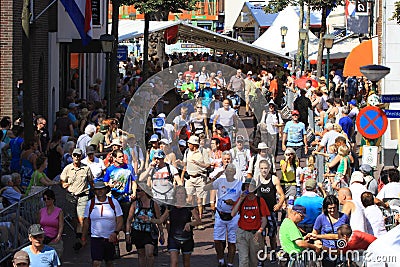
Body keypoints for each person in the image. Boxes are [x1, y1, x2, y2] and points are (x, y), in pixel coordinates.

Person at [149, 186, 201, 267]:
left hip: (186, 237)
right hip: (173, 237)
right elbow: (160, 220)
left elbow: (198, 220)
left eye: (182, 193)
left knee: (186, 263)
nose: (180, 195)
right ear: (175, 195)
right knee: (174, 263)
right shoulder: (170, 207)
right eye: (178, 193)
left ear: (185, 195)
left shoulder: (189, 207)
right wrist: (149, 219)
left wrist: (190, 224)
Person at [203, 163, 242, 267]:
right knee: (217, 240)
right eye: (227, 171)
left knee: (232, 242)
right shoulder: (220, 181)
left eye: (231, 171)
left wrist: (233, 203)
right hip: (220, 215)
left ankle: (230, 263)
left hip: (233, 216)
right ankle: (221, 260)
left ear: (234, 172)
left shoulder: (239, 184)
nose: (229, 173)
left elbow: (243, 200)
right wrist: (217, 175)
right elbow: (206, 187)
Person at [81, 181, 123, 267]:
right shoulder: (90, 203)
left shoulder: (113, 202)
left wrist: (116, 233)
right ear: (94, 191)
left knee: (109, 262)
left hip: (110, 238)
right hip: (96, 237)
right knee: (96, 263)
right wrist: (83, 236)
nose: (100, 191)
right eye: (97, 189)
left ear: (105, 190)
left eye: (102, 189)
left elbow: (120, 219)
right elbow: (86, 221)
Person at [60, 148, 94, 251]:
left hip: (83, 195)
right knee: (73, 218)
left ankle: (82, 238)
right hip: (71, 196)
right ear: (72, 156)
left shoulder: (86, 168)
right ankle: (78, 233)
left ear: (81, 156)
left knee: (82, 218)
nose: (76, 157)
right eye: (75, 155)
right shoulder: (67, 168)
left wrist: (95, 192)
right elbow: (62, 181)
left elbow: (91, 181)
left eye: (78, 155)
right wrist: (63, 184)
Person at [231, 178, 269, 267]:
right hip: (242, 232)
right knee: (243, 260)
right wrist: (240, 200)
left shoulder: (260, 201)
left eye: (251, 186)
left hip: (254, 233)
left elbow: (264, 219)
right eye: (246, 186)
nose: (248, 188)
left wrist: (260, 231)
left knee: (253, 261)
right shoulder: (242, 200)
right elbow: (232, 214)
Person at [125, 183, 163, 267]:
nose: (137, 192)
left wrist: (162, 233)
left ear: (145, 192)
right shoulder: (135, 204)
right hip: (138, 231)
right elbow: (129, 220)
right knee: (141, 254)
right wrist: (127, 233)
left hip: (150, 231)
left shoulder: (153, 204)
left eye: (139, 190)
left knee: (149, 253)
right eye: (136, 190)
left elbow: (159, 219)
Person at [256, 159, 285, 263]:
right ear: (259, 169)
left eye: (266, 168)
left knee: (272, 235)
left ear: (269, 169)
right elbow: (250, 194)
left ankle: (273, 253)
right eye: (262, 168)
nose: (264, 170)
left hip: (271, 211)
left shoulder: (274, 179)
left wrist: (279, 204)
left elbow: (282, 195)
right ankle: (262, 256)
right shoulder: (257, 179)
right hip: (261, 213)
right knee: (261, 235)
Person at [312, 195, 350, 267]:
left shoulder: (344, 217)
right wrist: (317, 241)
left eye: (334, 208)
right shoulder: (321, 218)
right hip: (327, 252)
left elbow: (348, 233)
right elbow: (315, 232)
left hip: (341, 251)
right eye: (330, 208)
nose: (332, 210)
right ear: (326, 208)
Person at [181, 136, 210, 223]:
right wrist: (180, 164)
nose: (188, 145)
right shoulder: (187, 151)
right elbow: (184, 164)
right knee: (189, 199)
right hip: (190, 178)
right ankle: (189, 218)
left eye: (189, 143)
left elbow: (208, 165)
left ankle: (199, 220)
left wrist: (199, 164)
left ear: (194, 144)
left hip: (200, 178)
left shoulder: (203, 151)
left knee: (199, 200)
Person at [39, 189, 64, 259]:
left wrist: (58, 236)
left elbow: (61, 225)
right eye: (44, 199)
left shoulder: (59, 211)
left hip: (54, 239)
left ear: (53, 199)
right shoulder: (41, 211)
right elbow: (38, 225)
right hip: (43, 239)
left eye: (48, 199)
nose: (46, 200)